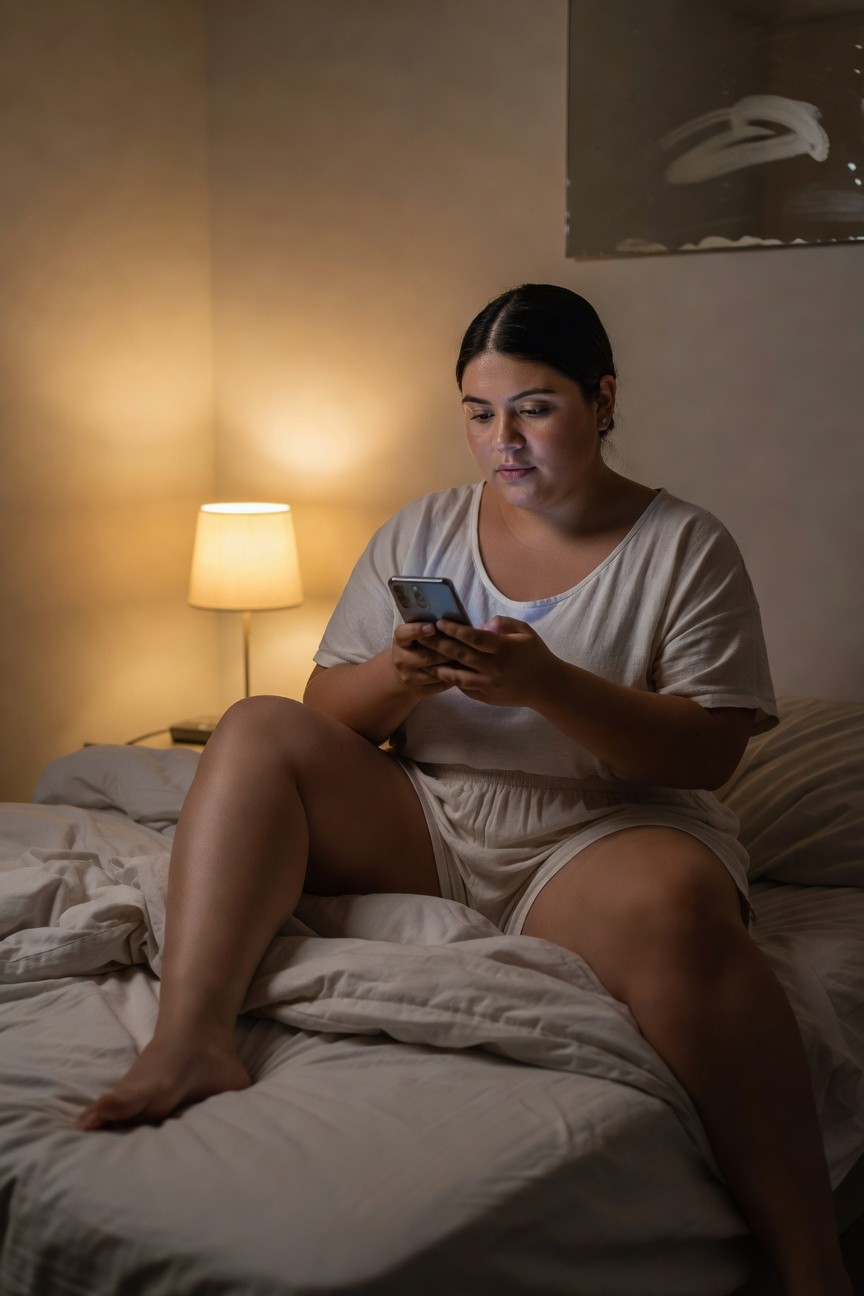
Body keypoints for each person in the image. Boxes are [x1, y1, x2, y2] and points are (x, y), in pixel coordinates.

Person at [76, 284, 852, 1296]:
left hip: (602, 832)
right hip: (433, 810)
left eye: (534, 407)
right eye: (480, 416)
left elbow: (708, 753)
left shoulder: (684, 546)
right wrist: (400, 676)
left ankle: (812, 1262)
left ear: (602, 399)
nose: (504, 442)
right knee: (255, 723)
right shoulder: (422, 530)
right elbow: (325, 712)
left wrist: (548, 686)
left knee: (680, 907)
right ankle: (191, 1039)